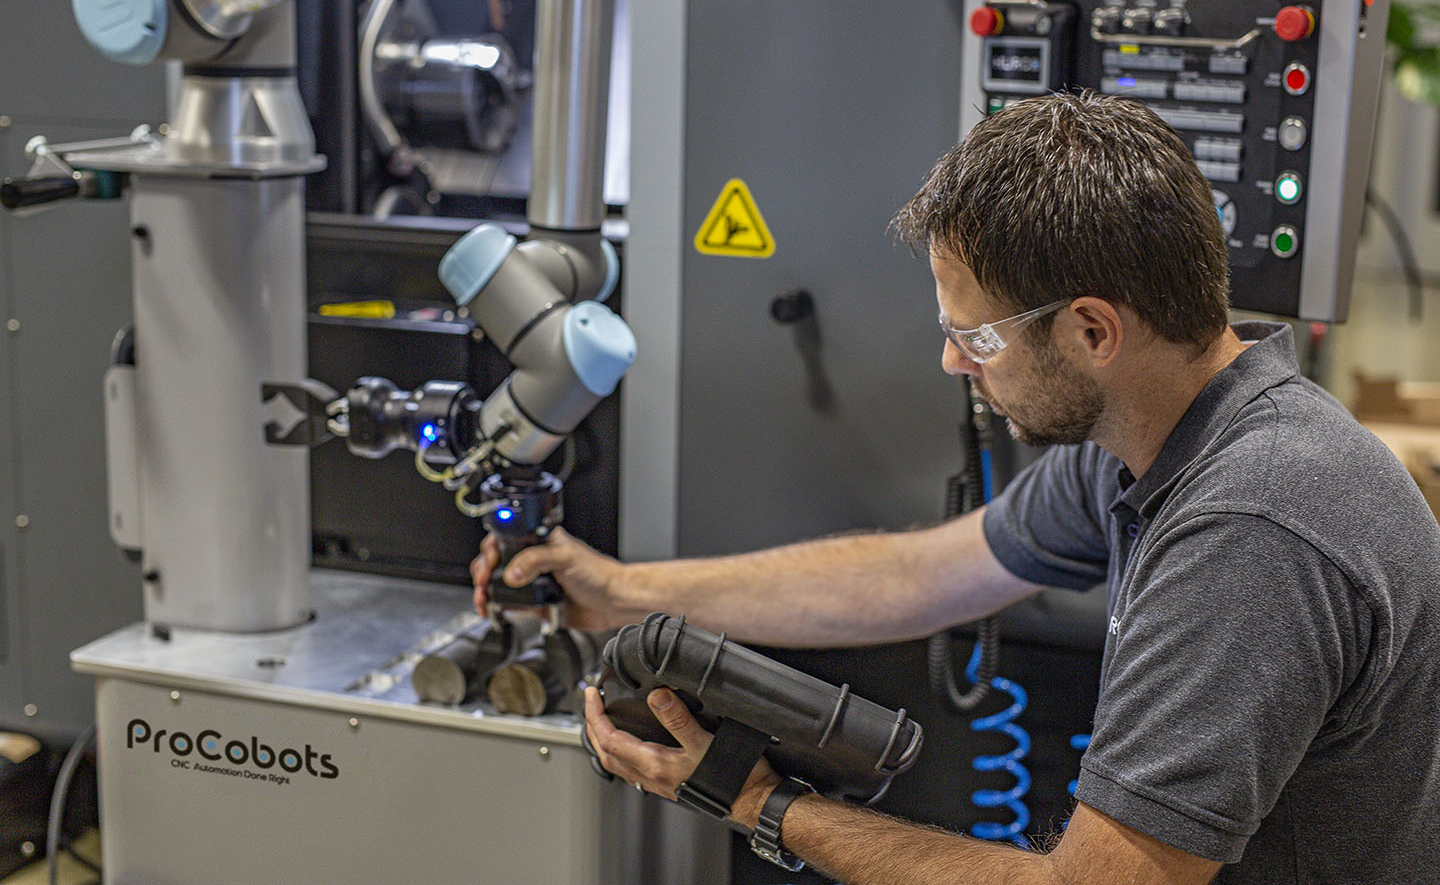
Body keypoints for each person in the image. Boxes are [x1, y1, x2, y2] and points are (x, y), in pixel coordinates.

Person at [472, 91, 1440, 884]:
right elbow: (917, 577)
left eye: (975, 337)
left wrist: (761, 804)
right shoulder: (1155, 439)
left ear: (1092, 333)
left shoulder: (1250, 526)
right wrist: (623, 590)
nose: (949, 361)